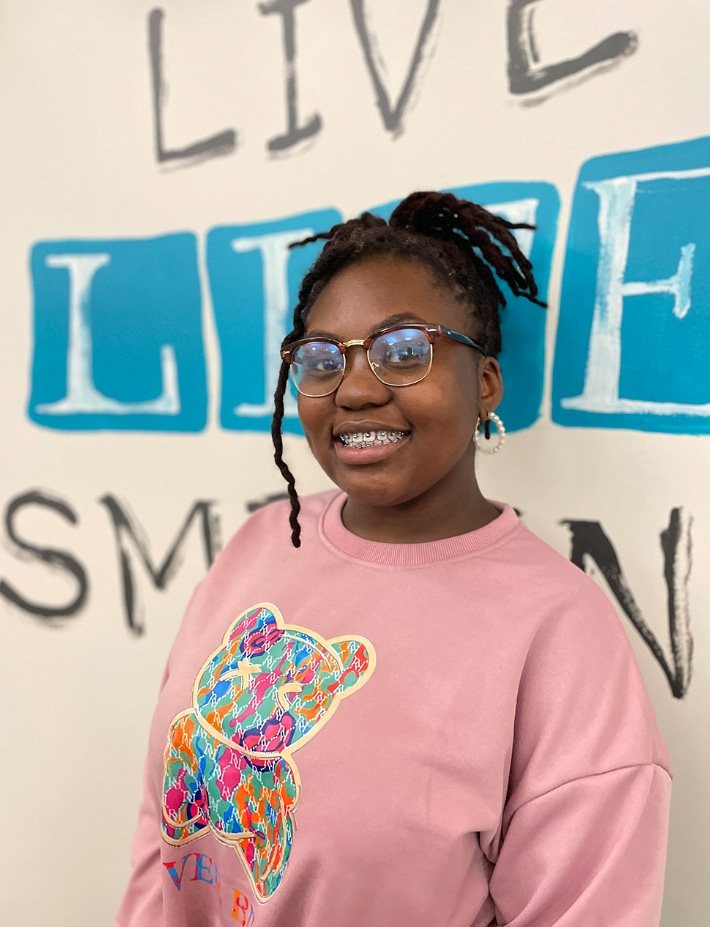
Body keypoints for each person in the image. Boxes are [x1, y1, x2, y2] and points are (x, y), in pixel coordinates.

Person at [116, 191, 672, 926]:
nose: (355, 387)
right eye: (321, 359)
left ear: (486, 386)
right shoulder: (259, 544)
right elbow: (163, 831)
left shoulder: (559, 632)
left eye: (404, 351)